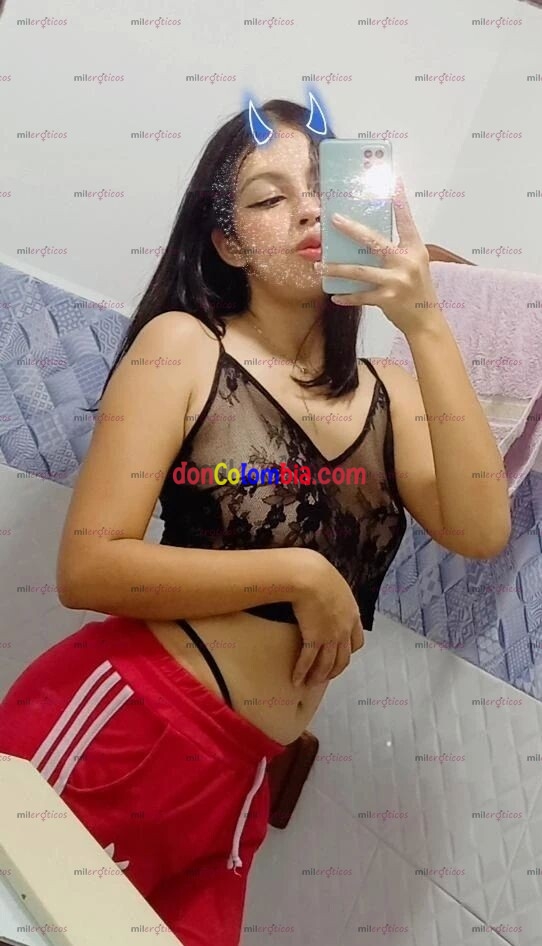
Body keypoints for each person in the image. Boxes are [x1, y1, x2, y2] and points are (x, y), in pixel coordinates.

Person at [0, 99, 511, 946]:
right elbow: (88, 567)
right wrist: (299, 573)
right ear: (229, 243)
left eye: (323, 189)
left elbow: (481, 529)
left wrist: (424, 320)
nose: (308, 210)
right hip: (126, 724)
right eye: (270, 198)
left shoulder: (391, 391)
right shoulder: (185, 346)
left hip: (241, 772)